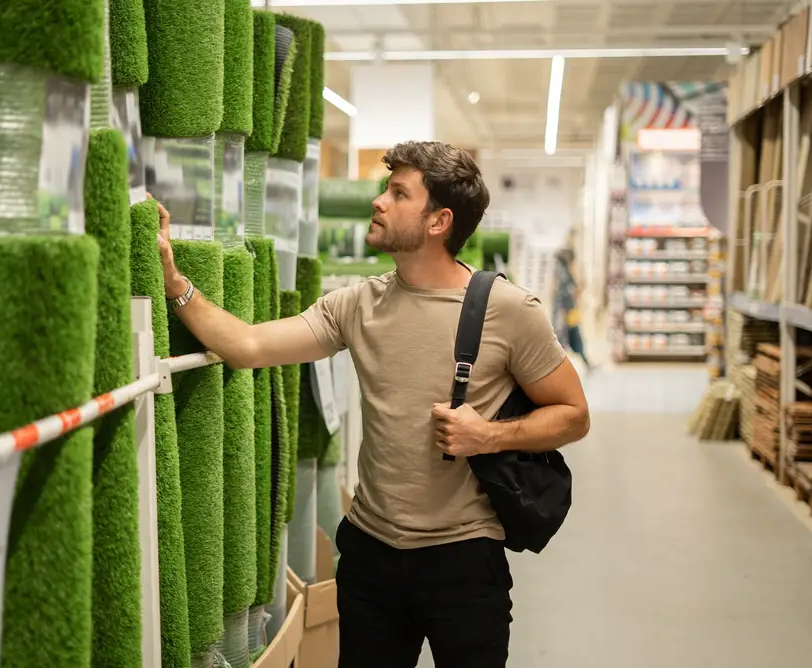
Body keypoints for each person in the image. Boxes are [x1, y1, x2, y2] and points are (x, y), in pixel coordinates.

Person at [154, 140, 591, 668]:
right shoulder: (356, 304)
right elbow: (248, 346)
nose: (379, 201)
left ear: (438, 221)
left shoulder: (508, 310)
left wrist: (488, 435)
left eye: (399, 193)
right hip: (370, 555)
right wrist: (175, 283)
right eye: (386, 189)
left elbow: (573, 413)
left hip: (464, 561)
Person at [554, 248, 594, 372]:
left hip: (568, 311)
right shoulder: (562, 271)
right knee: (564, 339)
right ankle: (561, 368)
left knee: (573, 337)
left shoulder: (563, 270)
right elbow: (567, 291)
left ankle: (585, 364)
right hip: (564, 312)